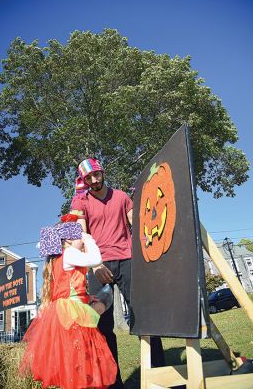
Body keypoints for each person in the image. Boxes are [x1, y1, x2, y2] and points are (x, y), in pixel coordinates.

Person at [70, 158, 165, 388]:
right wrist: (94, 264)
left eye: (97, 174)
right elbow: (82, 236)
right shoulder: (81, 202)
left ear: (102, 173)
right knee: (102, 327)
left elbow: (137, 223)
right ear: (84, 180)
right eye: (89, 177)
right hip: (98, 267)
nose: (94, 180)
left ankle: (161, 375)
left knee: (144, 315)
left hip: (127, 260)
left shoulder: (122, 196)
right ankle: (113, 382)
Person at [19, 216, 117, 389]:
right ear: (70, 240)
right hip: (71, 315)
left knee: (72, 357)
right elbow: (96, 259)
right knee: (81, 356)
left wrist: (86, 297)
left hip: (64, 312)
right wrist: (89, 239)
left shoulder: (59, 259)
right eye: (80, 236)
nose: (83, 239)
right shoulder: (70, 253)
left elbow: (68, 289)